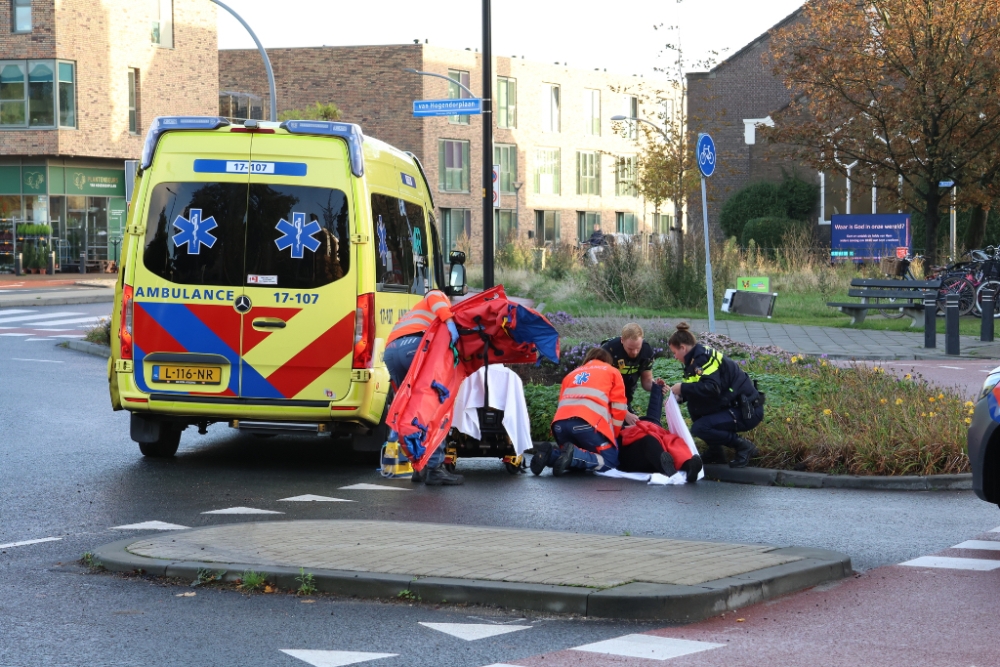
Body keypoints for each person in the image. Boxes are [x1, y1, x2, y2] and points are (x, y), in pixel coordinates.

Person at [383, 289, 463, 485]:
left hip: (392, 351)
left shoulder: (417, 312)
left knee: (408, 411)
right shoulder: (439, 298)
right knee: (432, 408)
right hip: (415, 347)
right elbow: (433, 295)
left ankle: (419, 467)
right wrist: (451, 322)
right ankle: (435, 469)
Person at [667, 322, 764, 468]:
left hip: (747, 410)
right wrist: (678, 397)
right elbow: (695, 390)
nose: (674, 357)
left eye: (674, 352)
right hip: (734, 406)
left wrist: (683, 388)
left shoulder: (702, 358)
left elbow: (712, 388)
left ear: (683, 348)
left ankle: (744, 446)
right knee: (695, 408)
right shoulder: (693, 361)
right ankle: (716, 453)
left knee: (700, 428)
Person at [531, 348, 627, 476]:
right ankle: (573, 455)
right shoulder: (612, 371)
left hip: (560, 425)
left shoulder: (571, 374)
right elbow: (619, 408)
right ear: (607, 361)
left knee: (574, 461)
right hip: (586, 423)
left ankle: (549, 456)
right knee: (610, 461)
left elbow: (561, 402)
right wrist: (612, 436)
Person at [618, 379, 703, 482]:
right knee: (649, 440)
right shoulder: (620, 419)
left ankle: (688, 466)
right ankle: (668, 469)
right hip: (631, 453)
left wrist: (657, 390)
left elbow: (654, 413)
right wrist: (625, 418)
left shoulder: (650, 422)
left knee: (674, 441)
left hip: (653, 441)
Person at [601, 323, 655, 425]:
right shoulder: (609, 350)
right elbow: (601, 388)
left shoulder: (646, 351)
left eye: (637, 348)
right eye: (630, 348)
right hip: (606, 398)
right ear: (622, 340)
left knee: (632, 427)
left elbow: (647, 382)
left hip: (626, 396)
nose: (634, 352)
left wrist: (657, 386)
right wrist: (624, 412)